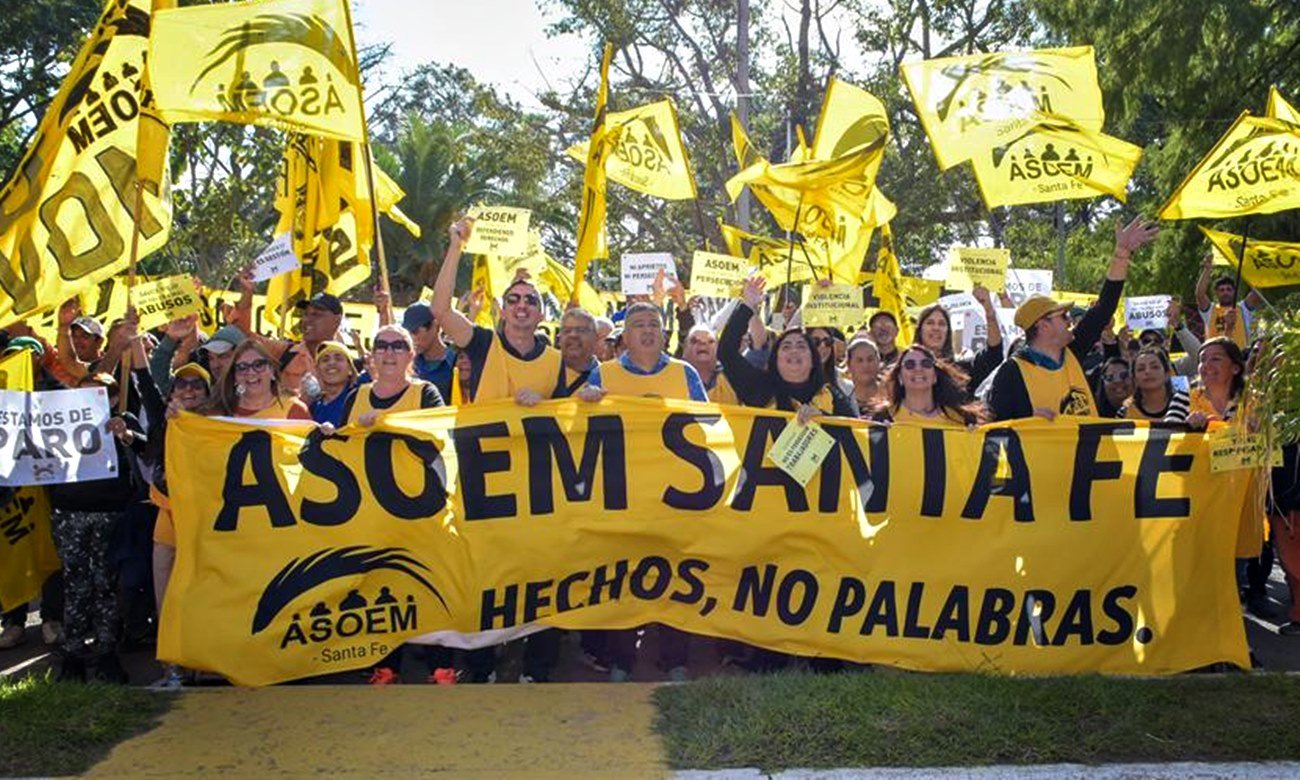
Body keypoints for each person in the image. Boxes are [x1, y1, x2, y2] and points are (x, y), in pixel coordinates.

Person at [577, 301, 706, 683]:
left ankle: (675, 659)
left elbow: (708, 426)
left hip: (675, 496)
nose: (647, 330)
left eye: (654, 324)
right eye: (638, 325)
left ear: (664, 333)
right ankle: (621, 659)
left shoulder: (686, 375)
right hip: (624, 497)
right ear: (625, 336)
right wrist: (584, 405)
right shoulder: (605, 374)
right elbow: (583, 434)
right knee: (624, 580)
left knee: (676, 578)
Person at [988, 217, 1159, 421]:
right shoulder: (1011, 373)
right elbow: (994, 427)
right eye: (1062, 316)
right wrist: (1025, 419)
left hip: (1089, 453)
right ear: (1043, 325)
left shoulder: (1073, 351)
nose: (1070, 321)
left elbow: (1104, 309)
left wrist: (1121, 255)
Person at [52, 372, 144, 683]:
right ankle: (73, 654)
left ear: (114, 398)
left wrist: (128, 435)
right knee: (75, 585)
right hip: (70, 514)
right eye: (83, 394)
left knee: (106, 585)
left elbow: (151, 449)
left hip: (111, 516)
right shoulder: (60, 420)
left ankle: (107, 653)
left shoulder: (123, 421)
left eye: (99, 395)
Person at [432, 217, 563, 405]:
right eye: (513, 299)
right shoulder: (483, 343)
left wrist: (543, 404)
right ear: (502, 311)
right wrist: (456, 247)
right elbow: (440, 310)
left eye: (531, 300)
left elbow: (569, 413)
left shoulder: (557, 362)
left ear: (541, 316)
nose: (522, 305)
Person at [718, 276, 856, 418]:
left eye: (801, 346)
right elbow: (726, 352)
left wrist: (824, 420)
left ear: (813, 359)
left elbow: (856, 431)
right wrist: (747, 305)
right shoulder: (759, 388)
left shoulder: (829, 395)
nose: (794, 351)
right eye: (786, 347)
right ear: (775, 358)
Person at [912, 284, 1004, 395]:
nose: (936, 328)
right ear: (919, 330)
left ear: (948, 332)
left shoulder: (960, 372)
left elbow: (993, 354)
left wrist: (989, 313)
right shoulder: (905, 368)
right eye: (930, 323)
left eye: (942, 324)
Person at [877, 345, 986, 428]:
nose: (918, 369)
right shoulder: (883, 418)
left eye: (926, 363)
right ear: (899, 377)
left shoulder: (962, 419)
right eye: (910, 364)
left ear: (935, 376)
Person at [212, 340, 311, 420]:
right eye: (242, 367)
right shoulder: (218, 412)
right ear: (234, 377)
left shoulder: (295, 410)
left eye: (259, 365)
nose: (251, 372)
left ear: (272, 371)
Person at [1195, 253, 1262, 349]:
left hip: (1240, 355)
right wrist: (1207, 269)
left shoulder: (1243, 308)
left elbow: (1257, 293)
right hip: (1216, 356)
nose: (1225, 292)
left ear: (1234, 292)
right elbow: (1199, 295)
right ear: (1216, 293)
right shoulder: (1211, 310)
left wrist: (1248, 265)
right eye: (1221, 290)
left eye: (1229, 289)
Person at [402, 302, 456, 402]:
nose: (411, 339)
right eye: (407, 334)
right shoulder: (406, 364)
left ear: (435, 325)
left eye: (415, 332)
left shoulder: (459, 362)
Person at [1119, 347, 1190, 421]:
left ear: (1167, 374)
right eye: (1141, 369)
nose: (1147, 371)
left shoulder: (1186, 404)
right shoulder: (1125, 413)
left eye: (1155, 367)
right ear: (1134, 379)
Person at [309, 341, 363, 426]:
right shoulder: (313, 405)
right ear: (318, 370)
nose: (331, 363)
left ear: (350, 369)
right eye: (325, 360)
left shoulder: (359, 399)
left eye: (338, 359)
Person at [681, 324, 738, 405]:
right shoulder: (673, 376)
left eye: (710, 341)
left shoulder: (734, 377)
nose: (703, 344)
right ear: (684, 350)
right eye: (694, 341)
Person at [555, 308, 600, 397]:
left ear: (595, 337)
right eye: (567, 331)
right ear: (559, 339)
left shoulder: (608, 377)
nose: (573, 335)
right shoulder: (544, 372)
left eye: (581, 330)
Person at [845, 336, 884, 415]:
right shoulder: (841, 397)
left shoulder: (891, 395)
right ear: (849, 365)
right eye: (859, 360)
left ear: (879, 362)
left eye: (870, 359)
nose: (865, 365)